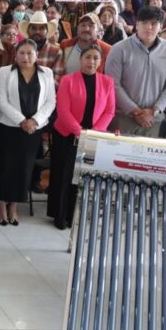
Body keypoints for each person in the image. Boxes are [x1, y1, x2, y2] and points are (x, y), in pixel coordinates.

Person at [49, 46, 115, 229]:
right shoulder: (67, 80)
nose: (91, 61)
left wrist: (92, 134)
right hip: (67, 134)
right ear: (80, 59)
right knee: (64, 175)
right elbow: (63, 110)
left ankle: (75, 215)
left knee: (82, 178)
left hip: (93, 137)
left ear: (100, 61)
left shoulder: (107, 82)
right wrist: (80, 133)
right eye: (87, 57)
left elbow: (109, 111)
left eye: (95, 58)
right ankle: (60, 216)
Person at [0, 40, 56, 226]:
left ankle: (14, 205)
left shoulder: (47, 73)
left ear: (37, 55)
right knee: (5, 166)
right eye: (22, 53)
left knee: (24, 167)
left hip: (33, 129)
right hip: (9, 126)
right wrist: (21, 121)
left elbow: (51, 101)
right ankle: (1, 203)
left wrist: (34, 121)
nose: (26, 57)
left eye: (30, 53)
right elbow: (1, 100)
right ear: (15, 55)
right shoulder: (5, 72)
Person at [104, 6, 166, 137]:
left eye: (154, 23)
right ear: (137, 24)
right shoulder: (119, 49)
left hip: (153, 121)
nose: (149, 27)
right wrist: (135, 111)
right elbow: (113, 84)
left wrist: (155, 110)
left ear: (161, 27)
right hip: (123, 118)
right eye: (144, 22)